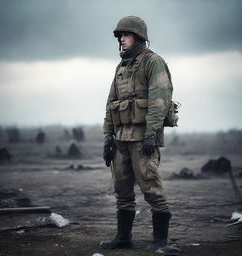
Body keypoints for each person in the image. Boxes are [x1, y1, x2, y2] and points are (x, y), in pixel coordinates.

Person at [101, 16, 173, 251]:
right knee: (121, 190)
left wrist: (151, 134)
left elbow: (159, 101)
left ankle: (160, 239)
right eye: (120, 35)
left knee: (151, 188)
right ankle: (124, 238)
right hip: (121, 139)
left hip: (143, 139)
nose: (122, 39)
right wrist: (107, 137)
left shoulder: (154, 63)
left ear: (139, 37)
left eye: (126, 34)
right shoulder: (121, 67)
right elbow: (111, 104)